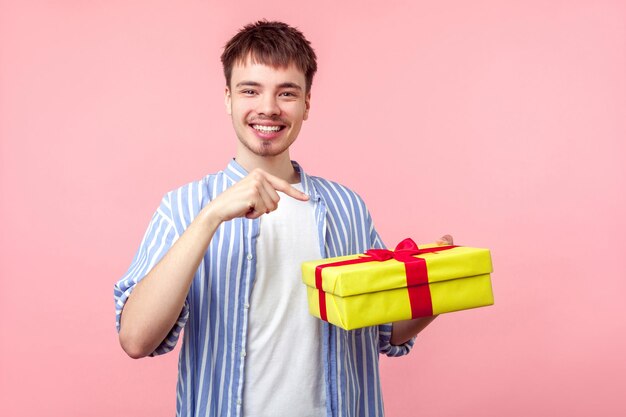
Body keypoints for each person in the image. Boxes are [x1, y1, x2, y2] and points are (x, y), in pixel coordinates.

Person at [114, 20, 452, 417]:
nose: (268, 107)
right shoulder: (185, 207)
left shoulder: (348, 208)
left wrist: (438, 285)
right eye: (250, 90)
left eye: (287, 92)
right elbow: (136, 339)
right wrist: (211, 217)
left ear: (307, 104)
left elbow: (384, 330)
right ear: (227, 98)